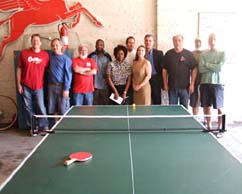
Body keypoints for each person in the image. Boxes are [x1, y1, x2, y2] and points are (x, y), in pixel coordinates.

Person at [16, 33, 49, 136]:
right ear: (31, 42)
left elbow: (48, 71)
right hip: (26, 86)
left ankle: (44, 126)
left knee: (41, 107)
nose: (36, 42)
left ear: (40, 43)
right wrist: (19, 85)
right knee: (27, 107)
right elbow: (19, 69)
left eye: (37, 41)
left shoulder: (45, 55)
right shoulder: (24, 53)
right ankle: (33, 127)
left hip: (39, 86)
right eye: (34, 40)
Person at [199, 33, 225, 130]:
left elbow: (220, 68)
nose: (212, 41)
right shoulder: (203, 54)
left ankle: (220, 127)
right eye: (210, 39)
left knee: (219, 107)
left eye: (214, 39)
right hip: (205, 83)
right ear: (208, 41)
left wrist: (207, 64)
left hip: (218, 84)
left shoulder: (223, 53)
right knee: (206, 106)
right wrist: (214, 66)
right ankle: (209, 126)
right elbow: (201, 69)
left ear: (217, 40)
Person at [163, 34, 197, 108]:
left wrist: (192, 84)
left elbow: (194, 68)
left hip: (185, 88)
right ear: (173, 42)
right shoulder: (168, 54)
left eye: (179, 40)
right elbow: (164, 70)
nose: (177, 42)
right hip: (172, 87)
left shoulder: (188, 54)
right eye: (175, 41)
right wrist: (165, 84)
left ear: (182, 41)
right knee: (172, 110)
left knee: (184, 109)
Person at [48, 38, 72, 122]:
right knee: (54, 108)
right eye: (53, 45)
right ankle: (56, 126)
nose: (55, 47)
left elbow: (68, 75)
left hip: (62, 87)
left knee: (63, 109)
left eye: (56, 45)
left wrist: (66, 89)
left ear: (61, 46)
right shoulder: (50, 57)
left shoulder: (66, 59)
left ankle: (65, 127)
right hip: (51, 86)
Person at [88, 39, 112, 105]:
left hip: (104, 85)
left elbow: (110, 71)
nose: (99, 46)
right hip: (93, 85)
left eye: (101, 45)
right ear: (95, 46)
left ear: (103, 46)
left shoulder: (108, 56)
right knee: (94, 103)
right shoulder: (91, 56)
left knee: (105, 104)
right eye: (98, 45)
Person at [144, 34, 164, 104]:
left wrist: (163, 82)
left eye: (150, 41)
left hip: (155, 79)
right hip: (144, 80)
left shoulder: (159, 53)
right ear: (144, 42)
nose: (148, 42)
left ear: (153, 42)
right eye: (146, 40)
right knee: (146, 100)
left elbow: (163, 69)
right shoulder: (141, 52)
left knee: (156, 99)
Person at [190, 38, 203, 115]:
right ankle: (195, 117)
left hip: (204, 79)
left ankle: (206, 119)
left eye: (199, 42)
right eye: (196, 42)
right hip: (194, 79)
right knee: (194, 100)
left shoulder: (205, 53)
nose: (197, 44)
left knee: (204, 100)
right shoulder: (191, 53)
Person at [125, 36, 136, 104]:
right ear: (126, 44)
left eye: (133, 43)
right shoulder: (123, 53)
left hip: (134, 77)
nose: (131, 44)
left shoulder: (136, 53)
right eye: (129, 43)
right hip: (124, 78)